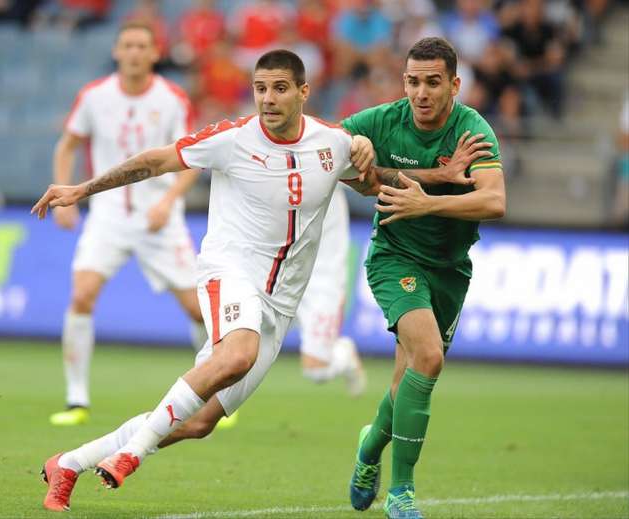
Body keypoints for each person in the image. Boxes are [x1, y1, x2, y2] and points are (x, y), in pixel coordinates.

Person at [32, 48, 487, 513]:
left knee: (198, 422)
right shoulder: (231, 139)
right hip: (230, 272)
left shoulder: (332, 143)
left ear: (303, 92)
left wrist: (439, 176)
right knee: (238, 352)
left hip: (280, 304)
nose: (268, 99)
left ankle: (69, 462)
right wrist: (81, 189)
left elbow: (374, 181)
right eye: (260, 88)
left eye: (280, 88)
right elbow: (155, 161)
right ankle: (130, 455)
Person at [343, 37, 505, 519]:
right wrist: (356, 149)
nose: (421, 93)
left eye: (433, 82)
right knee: (429, 358)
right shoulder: (380, 121)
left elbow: (495, 201)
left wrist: (426, 202)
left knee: (406, 378)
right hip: (395, 257)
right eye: (413, 81)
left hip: (450, 270)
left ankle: (369, 448)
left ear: (454, 84)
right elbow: (331, 159)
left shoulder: (472, 131)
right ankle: (402, 493)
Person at [47, 22, 207, 427]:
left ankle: (212, 394)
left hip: (160, 218)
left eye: (142, 46)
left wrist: (170, 200)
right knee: (82, 294)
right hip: (108, 215)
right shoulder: (95, 96)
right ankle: (75, 399)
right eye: (127, 46)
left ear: (155, 53)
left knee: (197, 309)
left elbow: (191, 159)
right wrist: (66, 199)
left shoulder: (172, 99)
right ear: (117, 51)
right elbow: (66, 145)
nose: (134, 53)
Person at [297, 186, 366, 396]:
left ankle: (344, 354)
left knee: (316, 370)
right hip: (281, 272)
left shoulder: (330, 166)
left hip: (322, 277)